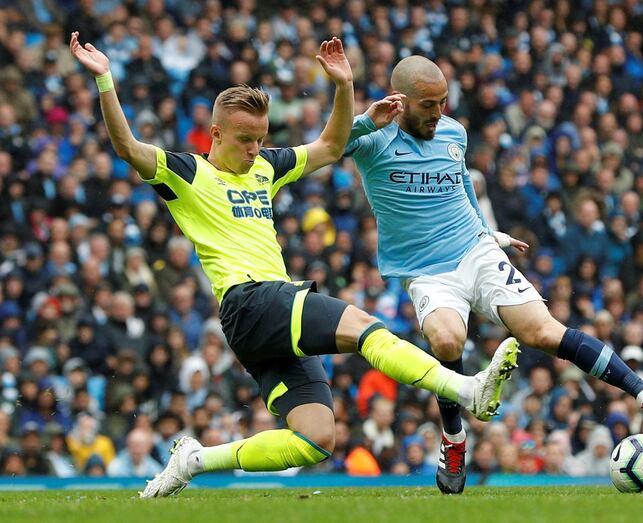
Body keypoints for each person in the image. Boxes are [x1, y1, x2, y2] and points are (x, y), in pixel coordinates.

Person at [70, 33, 518, 497]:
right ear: (216, 134)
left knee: (317, 438)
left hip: (264, 320)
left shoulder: (266, 165)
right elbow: (127, 147)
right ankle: (465, 389)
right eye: (244, 140)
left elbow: (328, 146)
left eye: (260, 140)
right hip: (250, 300)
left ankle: (194, 460)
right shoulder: (187, 174)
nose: (253, 150)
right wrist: (105, 79)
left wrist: (345, 89)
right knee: (363, 326)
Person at [345, 55, 643, 494]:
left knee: (543, 331)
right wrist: (364, 118)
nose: (438, 112)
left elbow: (462, 184)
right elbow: (334, 145)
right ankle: (454, 440)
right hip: (426, 271)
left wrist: (489, 233)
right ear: (401, 101)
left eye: (443, 102)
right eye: (428, 104)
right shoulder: (375, 141)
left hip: (474, 249)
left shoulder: (453, 133)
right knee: (446, 341)